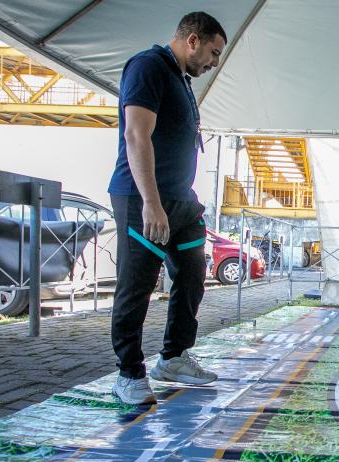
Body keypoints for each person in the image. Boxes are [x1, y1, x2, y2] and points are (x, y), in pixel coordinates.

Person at [107, 12, 227, 404]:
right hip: (143, 198)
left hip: (181, 202)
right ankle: (129, 373)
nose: (214, 62)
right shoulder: (147, 67)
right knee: (137, 286)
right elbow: (136, 135)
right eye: (213, 52)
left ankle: (174, 357)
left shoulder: (181, 80)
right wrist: (152, 203)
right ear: (192, 40)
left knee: (193, 273)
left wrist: (184, 200)